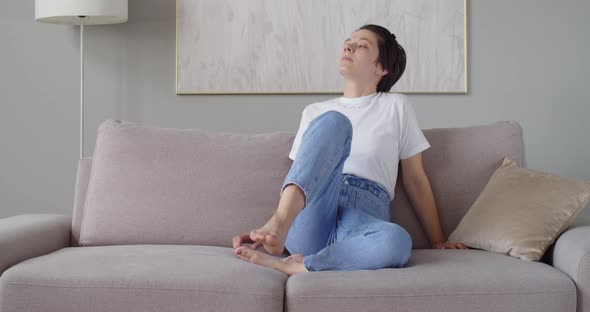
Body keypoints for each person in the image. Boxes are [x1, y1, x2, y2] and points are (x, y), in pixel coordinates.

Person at [232, 24, 467, 276]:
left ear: (382, 68)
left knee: (398, 240)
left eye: (362, 45)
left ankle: (303, 265)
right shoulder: (316, 112)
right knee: (335, 121)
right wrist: (280, 219)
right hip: (313, 215)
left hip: (362, 221)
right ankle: (279, 225)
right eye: (348, 41)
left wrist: (437, 240)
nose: (348, 46)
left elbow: (415, 179)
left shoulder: (396, 106)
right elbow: (302, 175)